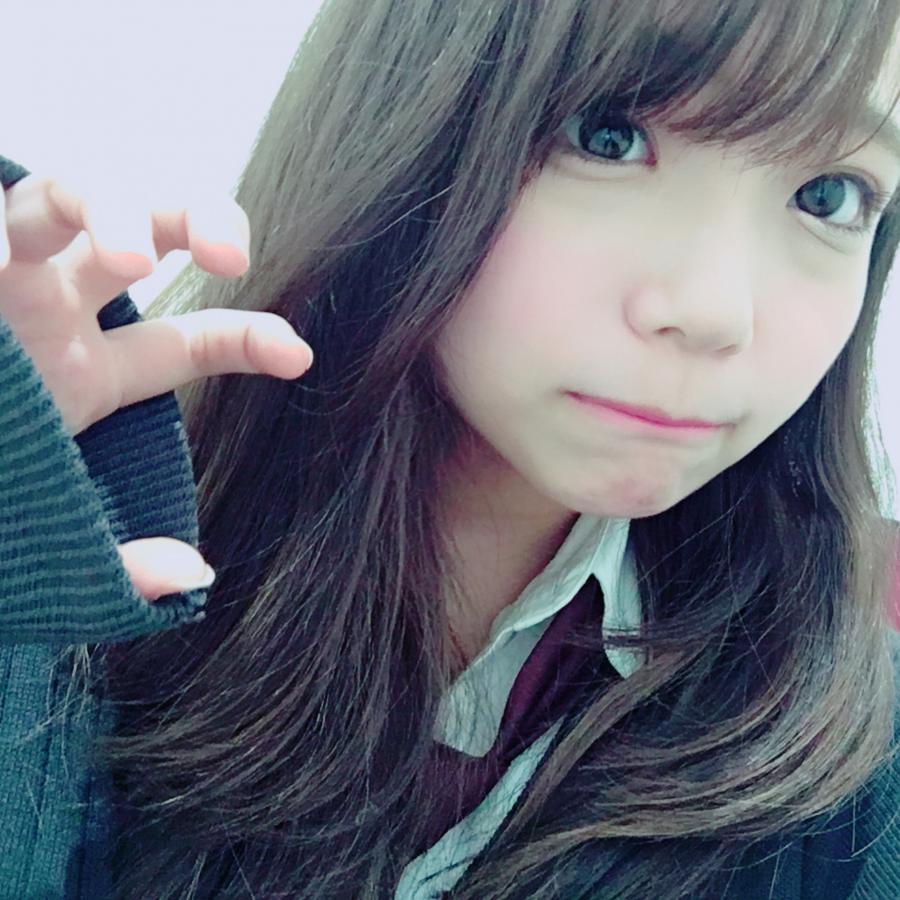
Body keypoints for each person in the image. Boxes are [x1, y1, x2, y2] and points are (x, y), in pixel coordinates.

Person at [1, 0, 900, 896]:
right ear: (405, 125)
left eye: (830, 195)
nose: (716, 312)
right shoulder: (77, 568)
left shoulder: (862, 782)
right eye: (608, 136)